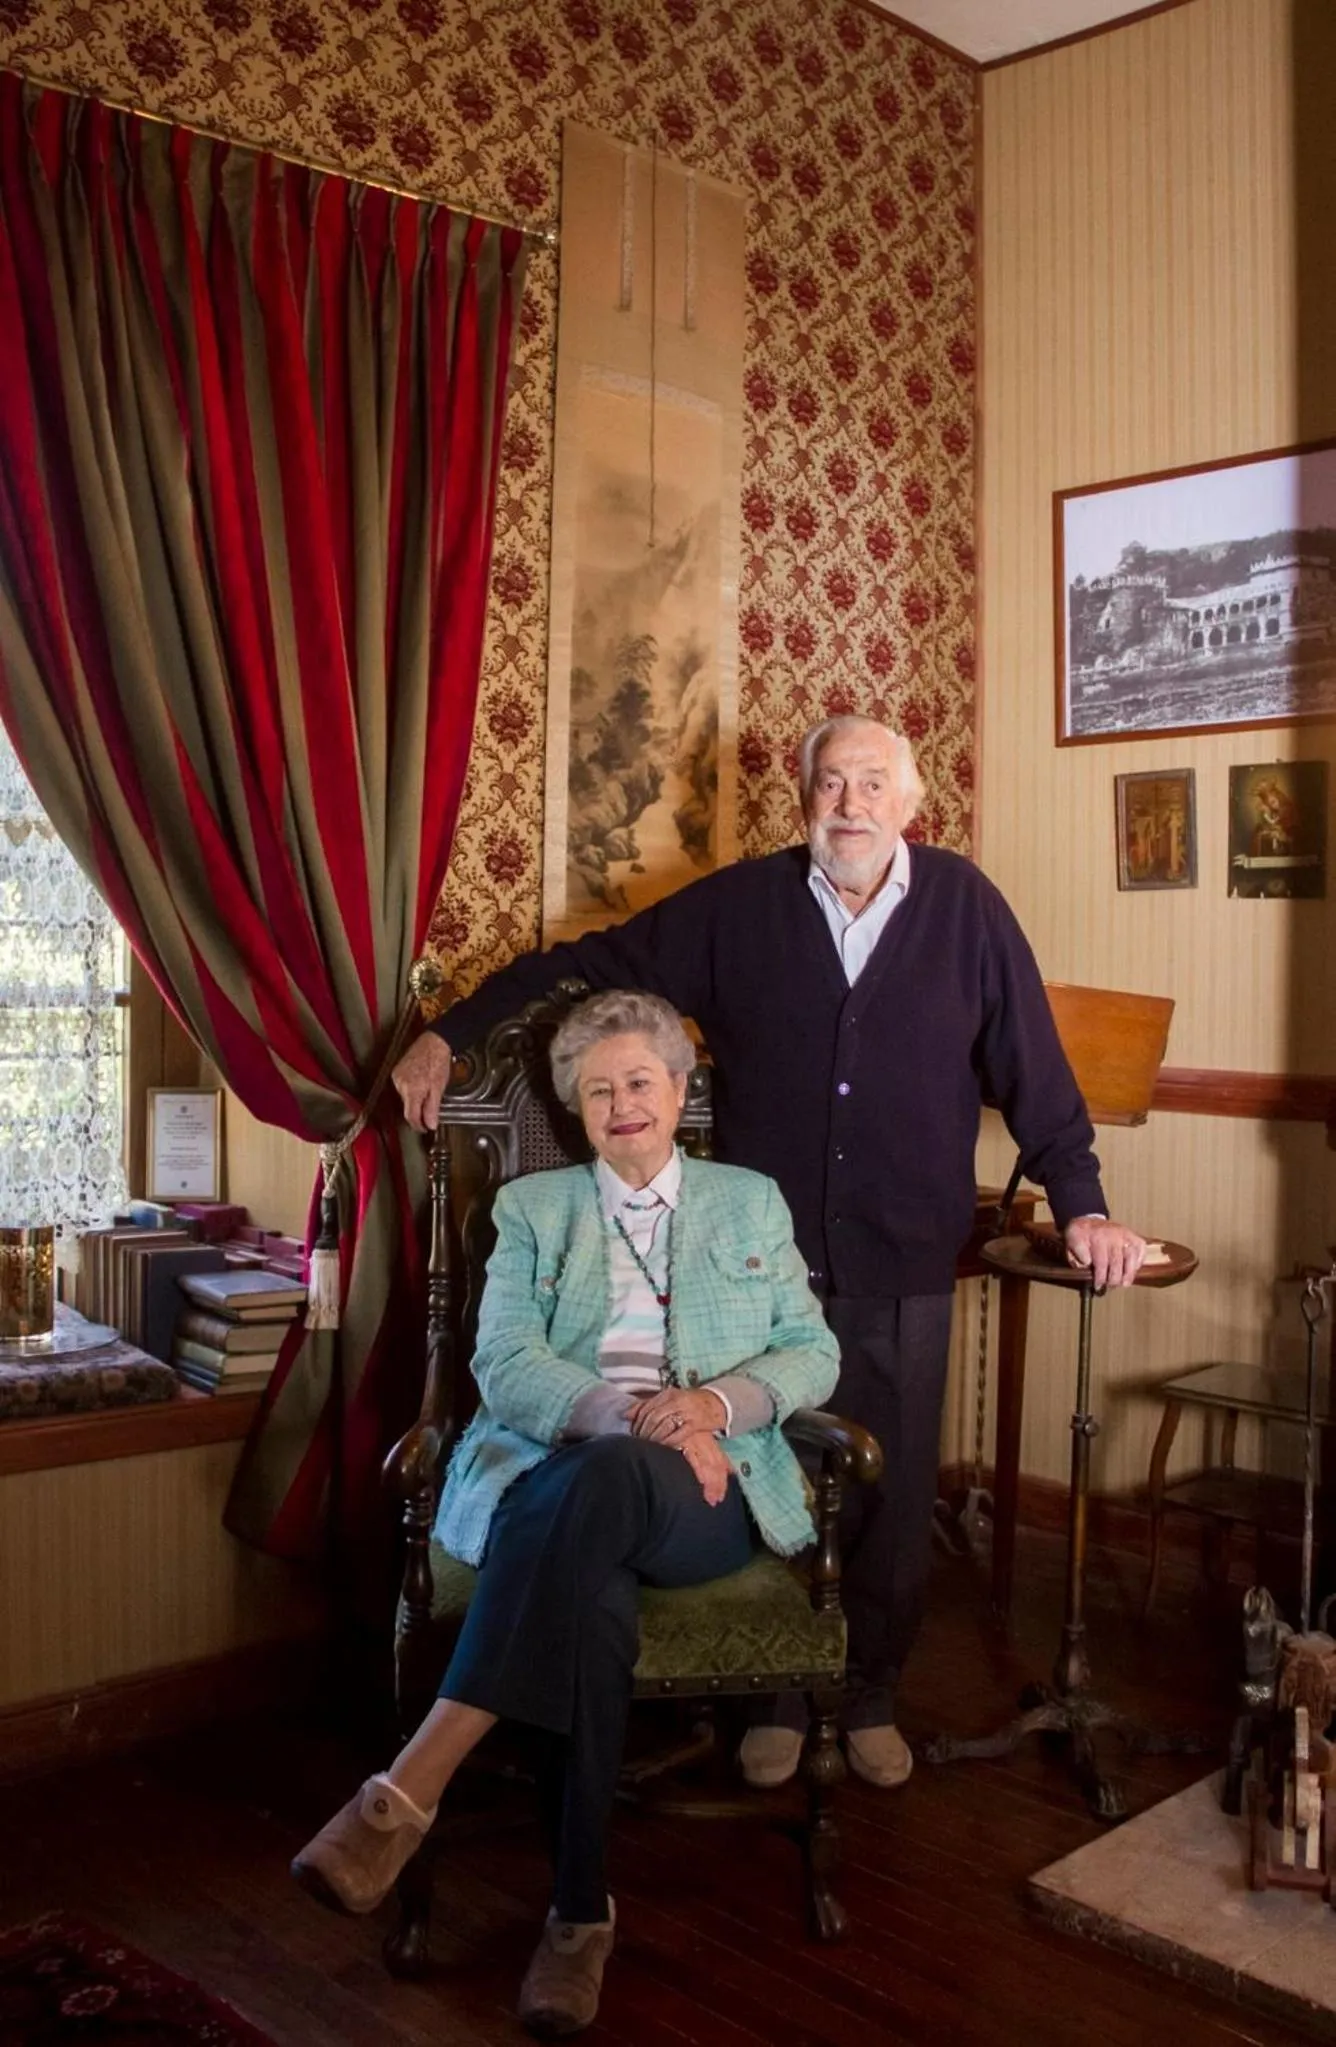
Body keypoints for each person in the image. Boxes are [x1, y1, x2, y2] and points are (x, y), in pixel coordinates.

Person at [390, 715, 1146, 1793]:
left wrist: (1082, 1203)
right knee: (762, 1472)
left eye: (871, 783)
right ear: (803, 800)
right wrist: (448, 1031)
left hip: (902, 1250)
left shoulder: (965, 908)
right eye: (829, 783)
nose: (849, 803)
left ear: (909, 801)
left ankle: (867, 1691)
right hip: (747, 1267)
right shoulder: (740, 907)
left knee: (884, 1491)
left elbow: (1035, 1068)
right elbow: (589, 964)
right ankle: (774, 1700)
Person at [293, 991, 838, 2036]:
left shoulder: (747, 1199)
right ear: (576, 1109)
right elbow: (501, 1364)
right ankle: (578, 1914)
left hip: (713, 1490)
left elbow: (812, 1350)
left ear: (678, 1091)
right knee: (592, 1558)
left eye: (639, 1082)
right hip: (554, 1471)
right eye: (597, 1090)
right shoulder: (534, 1210)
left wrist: (712, 1409)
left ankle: (408, 1789)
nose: (621, 1104)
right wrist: (632, 1416)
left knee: (607, 1490)